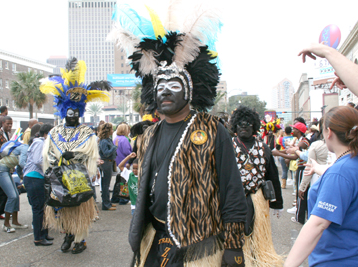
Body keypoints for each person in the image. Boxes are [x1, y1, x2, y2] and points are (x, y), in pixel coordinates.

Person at [111, 3, 247, 266]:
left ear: (189, 90)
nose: (164, 91)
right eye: (160, 85)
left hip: (199, 245)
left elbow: (232, 190)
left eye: (174, 84)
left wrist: (233, 245)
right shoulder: (148, 134)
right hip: (155, 239)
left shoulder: (212, 129)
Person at [40, 58, 111, 254]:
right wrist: (57, 161)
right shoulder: (54, 132)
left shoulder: (87, 132)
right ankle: (68, 235)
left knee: (80, 209)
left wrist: (77, 157)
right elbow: (47, 153)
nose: (71, 115)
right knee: (64, 208)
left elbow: (90, 152)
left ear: (79, 113)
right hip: (60, 177)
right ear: (64, 111)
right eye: (68, 111)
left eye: (75, 112)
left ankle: (80, 240)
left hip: (80, 177)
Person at [285, 106, 358, 266]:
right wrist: (319, 168)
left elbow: (318, 224)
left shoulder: (339, 173)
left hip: (336, 259)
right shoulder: (349, 164)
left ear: (328, 132)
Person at [230, 106, 283, 266]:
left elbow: (273, 177)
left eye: (247, 125)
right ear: (235, 127)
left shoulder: (264, 148)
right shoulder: (227, 147)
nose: (244, 127)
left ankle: (258, 258)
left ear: (254, 126)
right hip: (235, 199)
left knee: (257, 233)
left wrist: (277, 204)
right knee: (237, 234)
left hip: (258, 199)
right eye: (240, 125)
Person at [23, 123, 54, 246]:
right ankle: (38, 238)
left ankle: (44, 234)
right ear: (46, 133)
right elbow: (37, 161)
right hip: (33, 178)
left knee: (44, 207)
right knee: (38, 208)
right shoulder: (39, 143)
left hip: (39, 178)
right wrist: (51, 165)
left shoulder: (44, 144)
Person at [273, 122, 310, 224]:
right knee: (300, 191)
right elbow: (289, 150)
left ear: (299, 131)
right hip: (301, 167)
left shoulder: (304, 142)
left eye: (294, 129)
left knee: (301, 192)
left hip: (303, 168)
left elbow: (295, 155)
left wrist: (279, 153)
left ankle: (299, 217)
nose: (292, 131)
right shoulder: (300, 140)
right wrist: (279, 152)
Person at [0, 135, 29, 233]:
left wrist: (22, 175)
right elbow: (22, 163)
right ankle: (6, 224)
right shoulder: (25, 148)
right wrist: (29, 171)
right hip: (1, 169)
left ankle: (15, 222)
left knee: (16, 195)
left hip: (5, 169)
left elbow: (19, 167)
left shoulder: (23, 148)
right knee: (12, 196)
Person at [98, 122, 117, 211]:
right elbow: (106, 153)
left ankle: (107, 202)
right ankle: (106, 204)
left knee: (106, 184)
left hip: (108, 163)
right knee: (105, 185)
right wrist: (115, 147)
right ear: (108, 130)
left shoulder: (107, 140)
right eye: (112, 129)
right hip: (106, 163)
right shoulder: (104, 141)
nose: (113, 131)